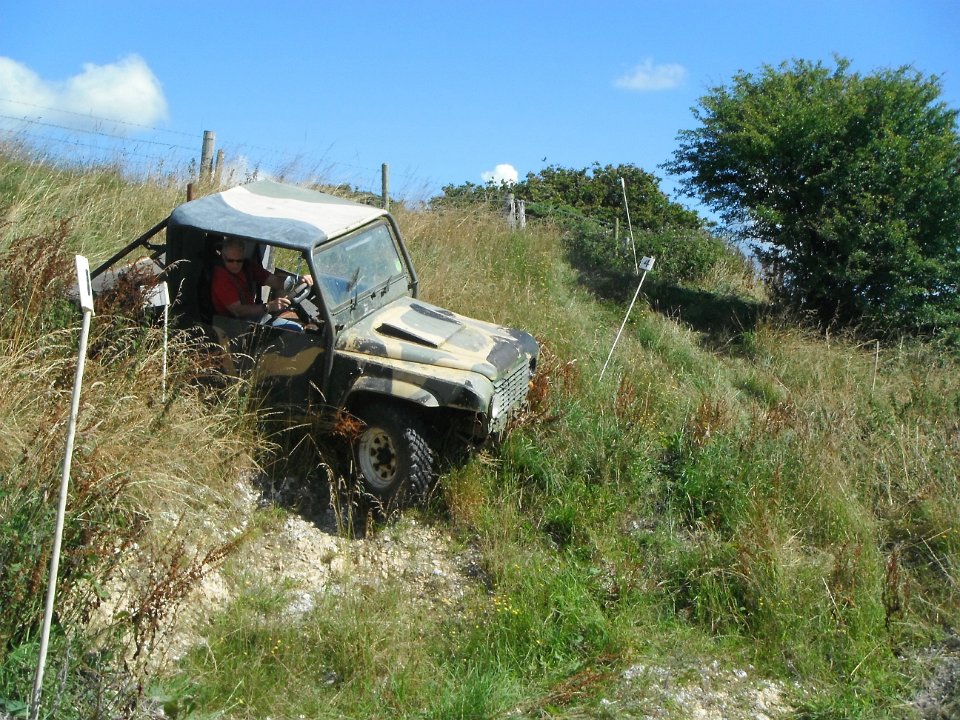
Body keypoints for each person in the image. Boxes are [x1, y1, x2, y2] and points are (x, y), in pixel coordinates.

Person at [210, 238, 312, 331]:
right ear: (223, 256)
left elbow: (275, 281)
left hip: (254, 317)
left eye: (239, 261)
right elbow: (238, 311)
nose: (235, 265)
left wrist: (299, 281)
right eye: (230, 261)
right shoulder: (220, 277)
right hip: (233, 326)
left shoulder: (247, 267)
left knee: (300, 326)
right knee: (296, 330)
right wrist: (269, 306)